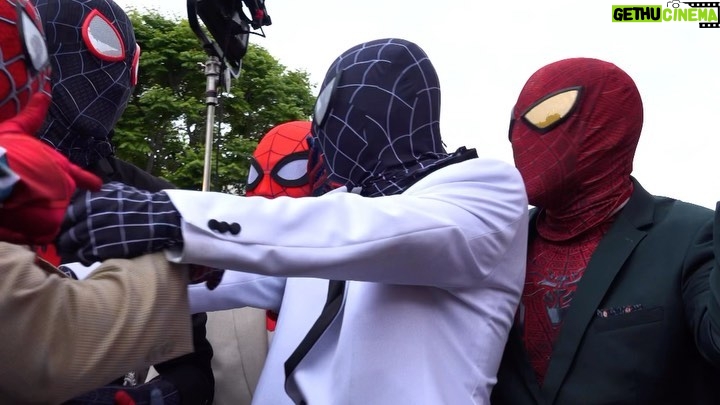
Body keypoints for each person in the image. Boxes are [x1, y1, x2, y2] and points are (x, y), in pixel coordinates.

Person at [58, 37, 529, 404]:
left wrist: (170, 214)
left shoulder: (485, 189)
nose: (321, 132)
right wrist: (63, 283)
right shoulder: (331, 224)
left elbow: (373, 230)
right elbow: (205, 278)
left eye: (330, 108)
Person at [0, 1, 199, 402]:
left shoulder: (152, 199)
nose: (110, 75)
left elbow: (194, 366)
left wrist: (165, 394)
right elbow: (45, 346)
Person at [491, 57, 720, 404]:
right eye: (513, 124)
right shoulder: (494, 245)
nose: (520, 137)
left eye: (546, 115)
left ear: (610, 121)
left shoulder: (689, 237)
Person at [189, 119, 335, 405]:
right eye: (255, 176)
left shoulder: (371, 294)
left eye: (290, 173)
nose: (266, 193)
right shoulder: (213, 295)